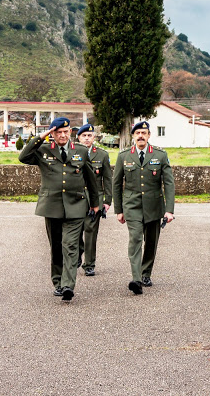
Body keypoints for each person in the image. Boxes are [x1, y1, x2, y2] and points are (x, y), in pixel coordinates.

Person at [18, 117, 99, 301]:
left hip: (76, 205)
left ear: (70, 132)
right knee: (56, 246)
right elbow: (23, 157)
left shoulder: (80, 150)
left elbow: (90, 179)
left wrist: (95, 203)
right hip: (52, 205)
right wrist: (41, 136)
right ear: (53, 134)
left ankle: (68, 286)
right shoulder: (43, 150)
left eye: (65, 131)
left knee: (70, 245)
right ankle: (57, 282)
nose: (62, 135)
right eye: (58, 132)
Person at [113, 121, 175, 294]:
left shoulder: (160, 155)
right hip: (132, 205)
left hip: (154, 205)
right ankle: (136, 279)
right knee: (135, 239)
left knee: (151, 241)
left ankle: (146, 273)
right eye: (138, 133)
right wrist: (118, 210)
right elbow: (116, 184)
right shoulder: (124, 156)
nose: (141, 136)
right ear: (133, 136)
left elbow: (169, 184)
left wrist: (169, 210)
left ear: (149, 135)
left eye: (144, 133)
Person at [76, 124, 112, 276]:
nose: (86, 138)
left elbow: (107, 179)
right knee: (75, 231)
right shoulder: (73, 152)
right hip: (75, 198)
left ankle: (89, 264)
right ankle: (77, 253)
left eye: (89, 135)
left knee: (91, 232)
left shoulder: (102, 155)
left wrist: (107, 200)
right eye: (84, 135)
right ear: (78, 137)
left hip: (94, 199)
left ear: (94, 138)